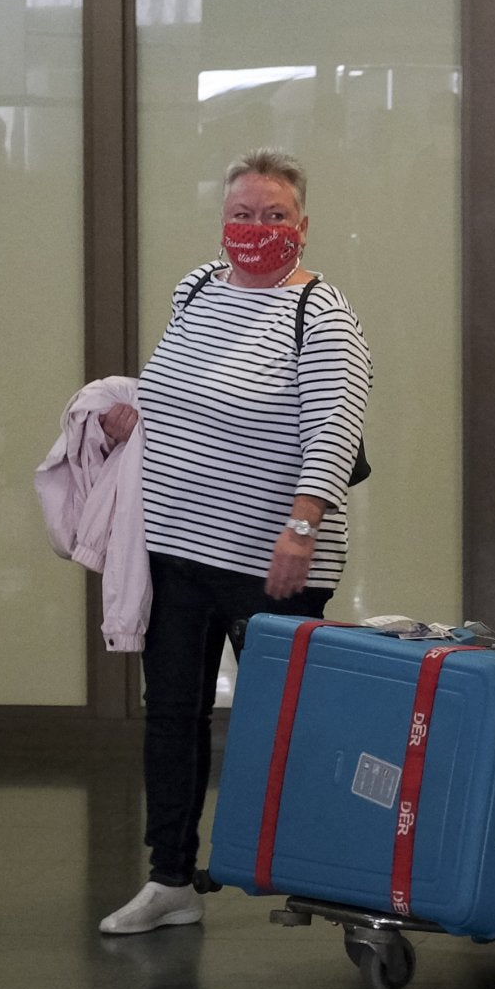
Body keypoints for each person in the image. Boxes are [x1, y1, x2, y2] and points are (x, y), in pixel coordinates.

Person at [97, 149, 373, 933]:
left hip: (272, 561)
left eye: (273, 215)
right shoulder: (196, 288)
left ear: (303, 225)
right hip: (176, 545)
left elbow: (332, 428)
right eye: (243, 215)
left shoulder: (320, 315)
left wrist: (299, 530)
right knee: (172, 713)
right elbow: (174, 386)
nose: (256, 229)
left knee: (301, 722)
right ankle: (170, 878)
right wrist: (133, 413)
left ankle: (345, 883)